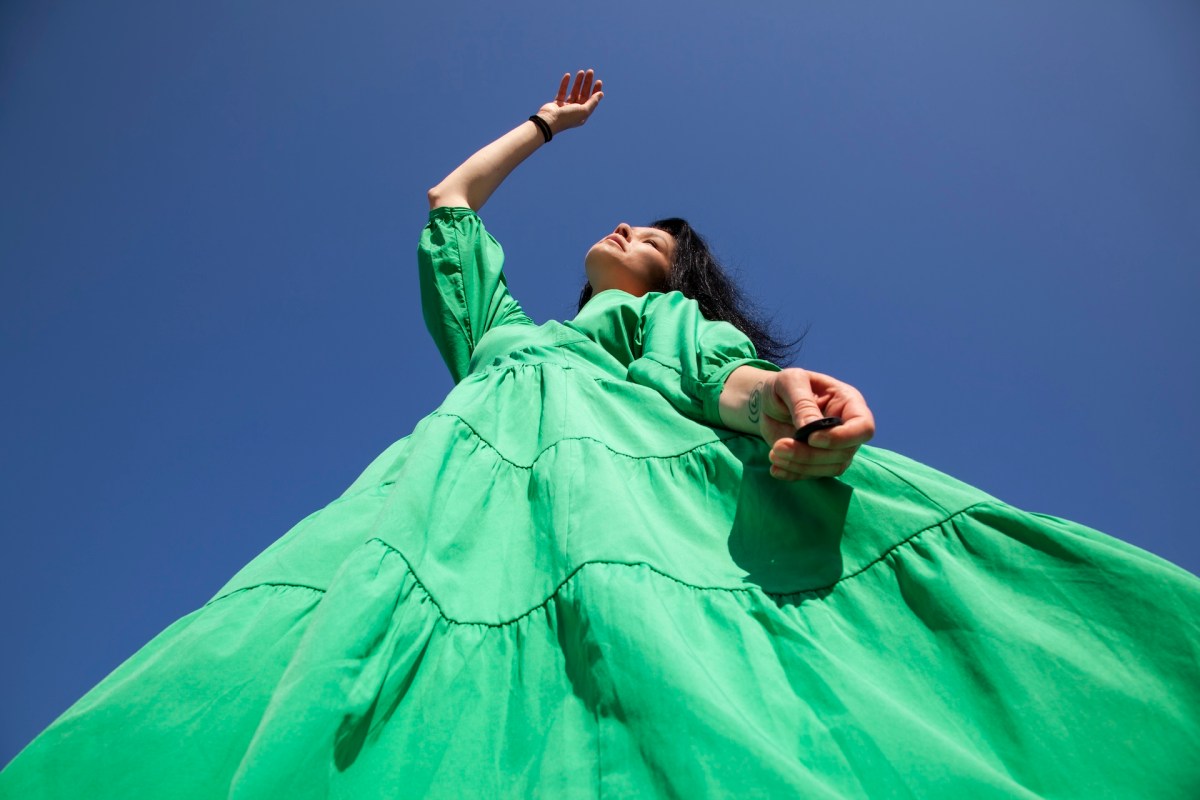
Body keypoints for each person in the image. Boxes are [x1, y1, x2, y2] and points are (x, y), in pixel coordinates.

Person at [2, 69, 1197, 799]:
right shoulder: (504, 338)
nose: (631, 230)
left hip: (639, 525)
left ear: (681, 275)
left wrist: (791, 399)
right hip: (439, 528)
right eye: (631, 225)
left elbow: (726, 383)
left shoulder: (662, 327)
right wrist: (543, 125)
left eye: (658, 238)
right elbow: (449, 205)